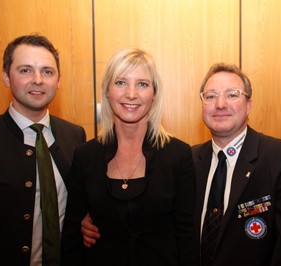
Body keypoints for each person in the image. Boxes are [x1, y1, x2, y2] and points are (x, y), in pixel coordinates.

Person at [81, 62, 281, 265]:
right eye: (211, 96)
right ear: (202, 104)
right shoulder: (185, 160)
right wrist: (96, 217)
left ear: (249, 105)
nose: (220, 104)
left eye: (232, 95)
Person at [61, 47, 198, 265]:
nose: (131, 94)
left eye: (142, 84)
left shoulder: (178, 155)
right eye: (121, 82)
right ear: (107, 90)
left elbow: (186, 235)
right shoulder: (85, 155)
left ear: (154, 94)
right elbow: (71, 238)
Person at [0, 34, 86, 265]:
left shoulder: (75, 136)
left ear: (58, 80)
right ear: (6, 77)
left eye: (47, 72)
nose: (38, 80)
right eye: (25, 70)